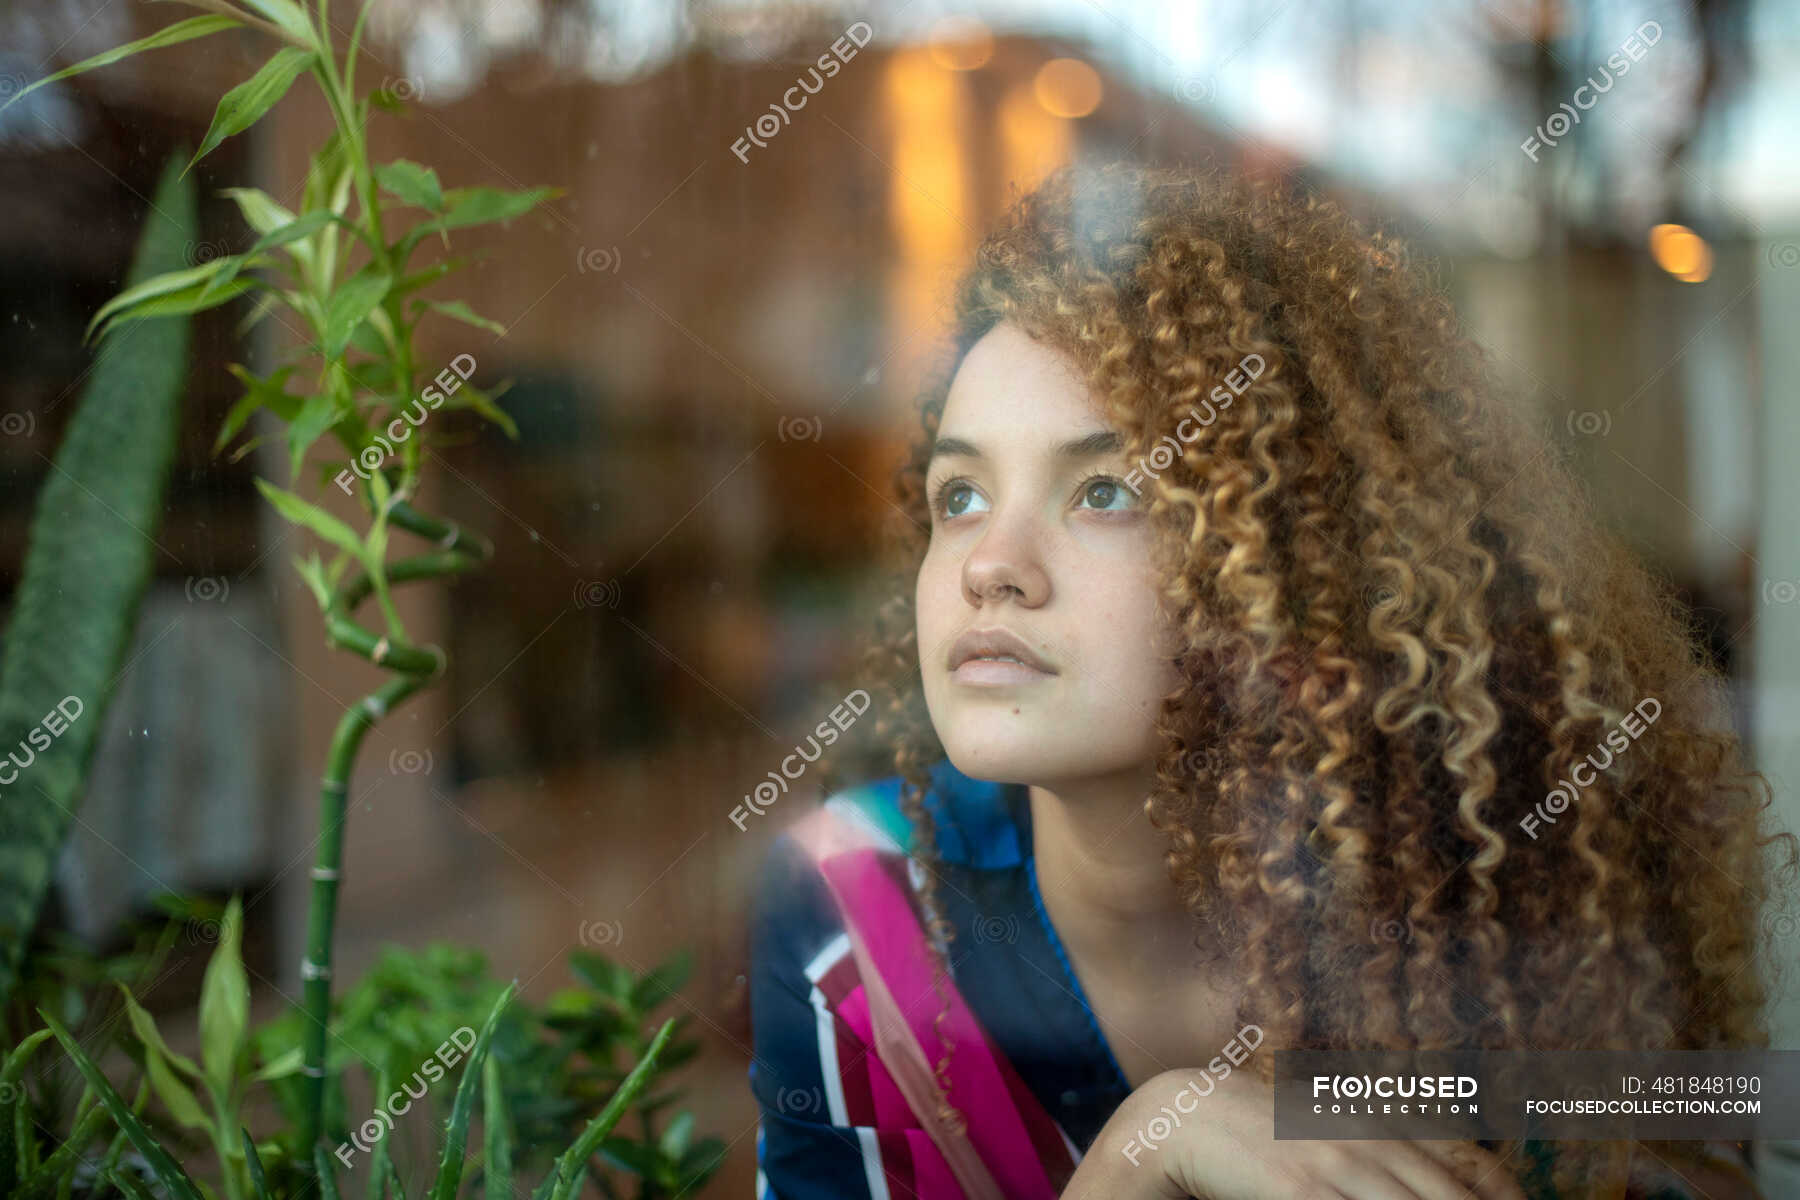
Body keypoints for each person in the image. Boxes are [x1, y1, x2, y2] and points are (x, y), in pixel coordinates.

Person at [745, 160, 1795, 1199]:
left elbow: (1722, 1122)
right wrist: (1142, 1150)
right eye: (960, 495)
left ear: (1293, 578)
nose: (989, 565)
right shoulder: (858, 905)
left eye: (1106, 490)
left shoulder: (1471, 891)